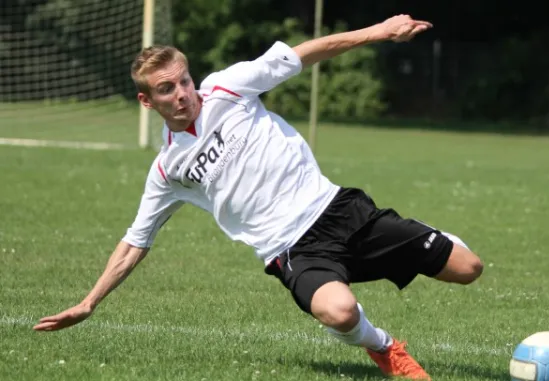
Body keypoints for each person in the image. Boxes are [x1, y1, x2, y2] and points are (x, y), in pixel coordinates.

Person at [33, 14, 484, 380]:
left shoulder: (229, 87)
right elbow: (136, 240)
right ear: (147, 101)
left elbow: (305, 55)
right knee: (339, 311)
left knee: (468, 269)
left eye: (184, 81)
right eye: (167, 89)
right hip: (291, 250)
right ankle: (386, 349)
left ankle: (427, 238)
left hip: (338, 209)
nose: (183, 94)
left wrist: (379, 32)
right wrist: (90, 301)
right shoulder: (169, 169)